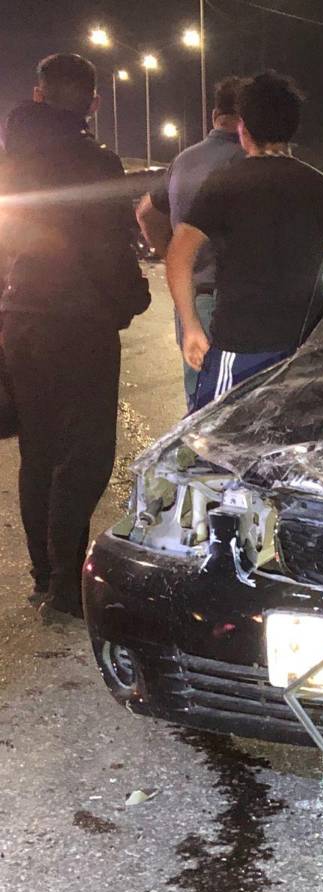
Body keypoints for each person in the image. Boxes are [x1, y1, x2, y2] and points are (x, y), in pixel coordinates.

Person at [0, 54, 150, 618]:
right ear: (93, 102)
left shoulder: (11, 161)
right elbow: (109, 248)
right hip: (81, 325)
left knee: (37, 450)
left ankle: (46, 576)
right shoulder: (97, 162)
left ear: (38, 94)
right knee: (85, 454)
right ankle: (65, 588)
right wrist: (131, 298)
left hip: (21, 320)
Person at [166, 70, 323, 412]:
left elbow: (179, 256)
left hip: (237, 346)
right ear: (292, 130)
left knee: (223, 436)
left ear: (243, 128)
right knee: (287, 439)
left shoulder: (223, 184)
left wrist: (191, 327)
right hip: (301, 351)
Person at [136, 76, 245, 405]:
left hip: (193, 301)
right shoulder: (251, 163)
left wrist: (173, 258)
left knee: (200, 403)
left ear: (215, 115)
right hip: (238, 303)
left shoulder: (183, 161)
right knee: (239, 407)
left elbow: (145, 213)